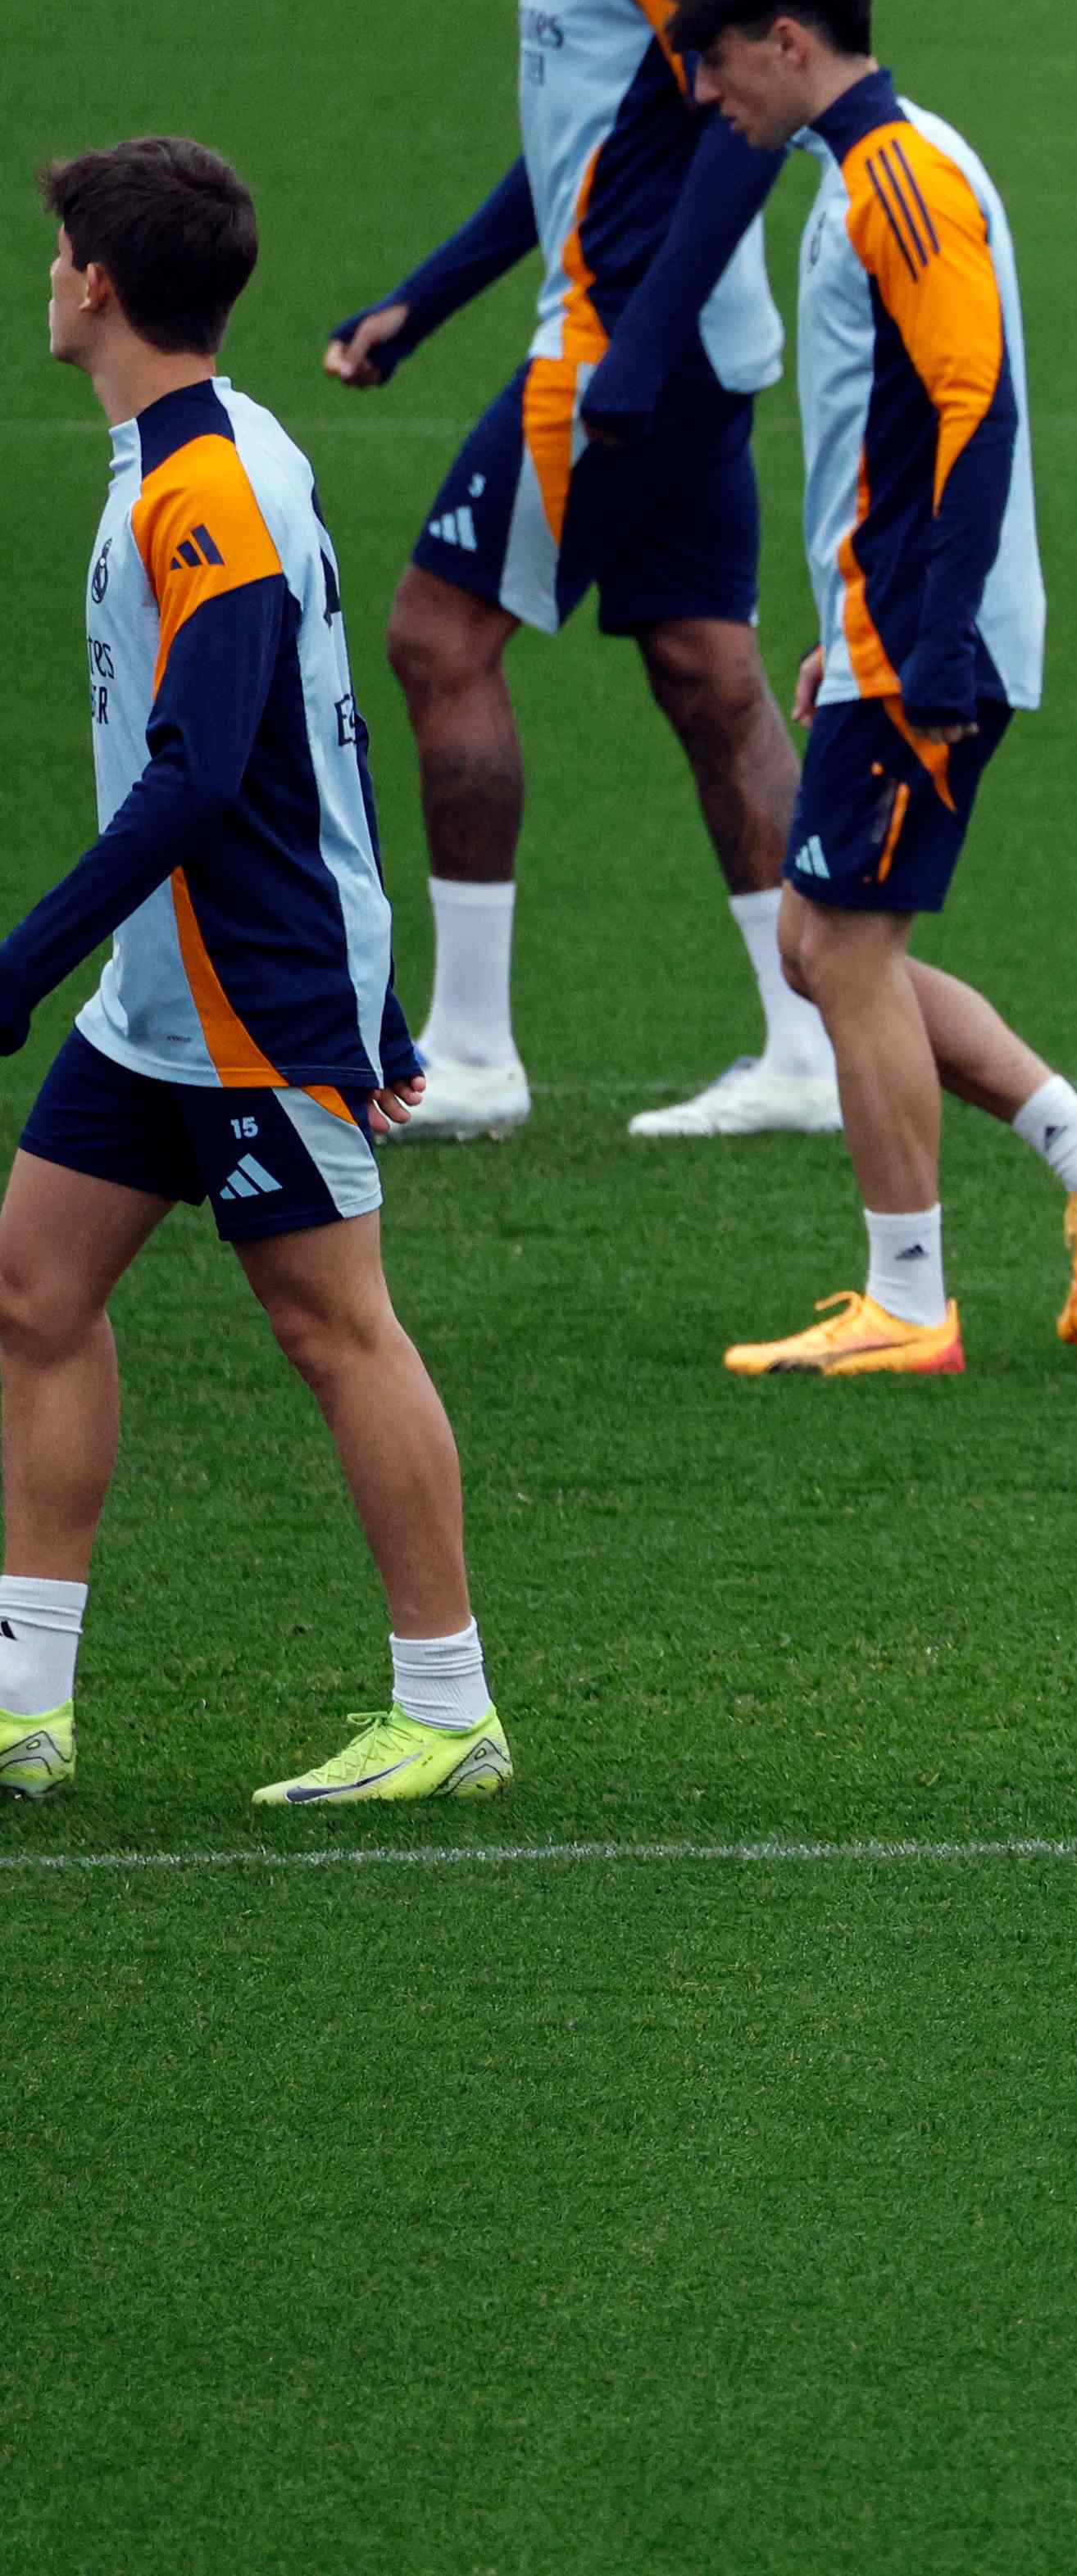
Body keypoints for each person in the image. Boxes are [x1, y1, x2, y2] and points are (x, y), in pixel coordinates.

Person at [1, 139, 509, 1807]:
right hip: (164, 1004)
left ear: (99, 285)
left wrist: (21, 962)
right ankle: (26, 1705)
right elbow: (328, 731)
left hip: (244, 994)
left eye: (62, 250)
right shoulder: (203, 451)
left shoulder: (203, 488)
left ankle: (447, 1712)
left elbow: (213, 767)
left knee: (333, 1328)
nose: (50, 275)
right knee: (32, 1293)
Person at [319, 0, 833, 1145]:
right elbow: (594, 142)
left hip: (623, 352)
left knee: (434, 638)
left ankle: (471, 1052)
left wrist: (640, 341)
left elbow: (756, 105)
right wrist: (429, 295)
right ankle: (814, 1046)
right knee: (707, 672)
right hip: (668, 344)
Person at [659, 0, 1077, 1376]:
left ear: (787, 41)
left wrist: (928, 640)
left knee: (837, 944)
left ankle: (911, 1301)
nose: (712, 102)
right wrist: (854, 625)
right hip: (891, 625)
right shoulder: (870, 171)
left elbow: (976, 409)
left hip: (927, 639)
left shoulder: (898, 176)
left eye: (716, 67)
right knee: (828, 943)